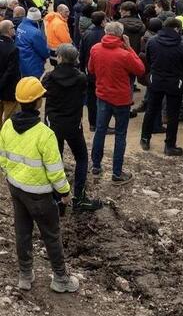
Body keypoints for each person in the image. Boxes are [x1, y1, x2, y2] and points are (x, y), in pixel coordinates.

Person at [0, 76, 78, 293]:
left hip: (16, 188)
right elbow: (55, 171)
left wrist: (13, 175)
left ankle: (25, 275)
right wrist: (64, 192)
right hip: (40, 195)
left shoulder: (7, 125)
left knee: (22, 232)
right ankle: (60, 279)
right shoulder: (45, 134)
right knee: (51, 235)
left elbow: (3, 158)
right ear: (38, 102)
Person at [42, 44, 102, 212]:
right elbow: (84, 94)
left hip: (53, 124)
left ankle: (58, 199)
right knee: (81, 158)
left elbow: (42, 93)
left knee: (56, 160)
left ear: (59, 57)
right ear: (75, 59)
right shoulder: (81, 78)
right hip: (73, 124)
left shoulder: (49, 77)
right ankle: (79, 197)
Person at [88, 21, 145, 184]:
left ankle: (96, 166)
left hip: (103, 95)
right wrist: (129, 47)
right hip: (121, 99)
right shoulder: (124, 54)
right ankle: (117, 172)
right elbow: (140, 69)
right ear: (121, 35)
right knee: (120, 134)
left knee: (100, 131)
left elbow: (91, 69)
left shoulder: (95, 49)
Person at [140, 18, 183, 156]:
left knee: (151, 109)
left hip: (156, 79)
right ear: (177, 29)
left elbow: (149, 59)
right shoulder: (181, 45)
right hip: (175, 82)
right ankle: (169, 145)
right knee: (172, 114)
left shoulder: (152, 41)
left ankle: (145, 138)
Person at [79, 11, 106, 131]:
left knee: (91, 98)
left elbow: (82, 53)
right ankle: (101, 123)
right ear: (103, 21)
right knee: (102, 98)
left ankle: (92, 123)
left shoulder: (86, 34)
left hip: (89, 70)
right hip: (103, 71)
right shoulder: (105, 35)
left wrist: (82, 69)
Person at [15, 8, 50, 79]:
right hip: (34, 66)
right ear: (36, 20)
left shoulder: (20, 26)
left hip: (22, 63)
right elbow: (44, 52)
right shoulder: (35, 33)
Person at [0, 19, 20, 125]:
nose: (15, 29)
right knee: (9, 120)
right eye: (13, 27)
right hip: (8, 91)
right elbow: (11, 72)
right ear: (8, 30)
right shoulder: (13, 49)